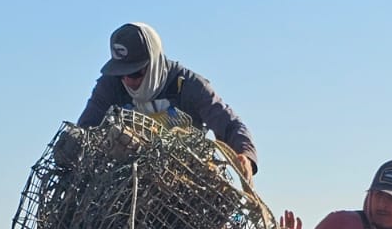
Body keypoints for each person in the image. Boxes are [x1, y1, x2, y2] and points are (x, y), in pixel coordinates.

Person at [77, 22, 258, 179]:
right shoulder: (111, 85)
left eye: (134, 72)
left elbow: (229, 123)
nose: (127, 80)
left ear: (154, 63)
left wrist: (245, 156)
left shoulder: (188, 85)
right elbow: (86, 129)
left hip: (181, 183)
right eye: (120, 72)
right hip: (123, 183)